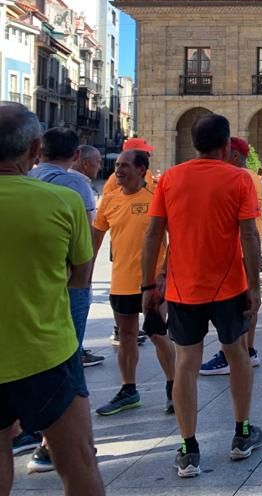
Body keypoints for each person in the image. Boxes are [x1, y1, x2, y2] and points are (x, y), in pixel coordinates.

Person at [142, 113, 262, 478]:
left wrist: (149, 285)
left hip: (182, 289)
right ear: (226, 145)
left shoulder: (171, 178)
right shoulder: (239, 178)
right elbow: (250, 236)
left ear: (194, 144)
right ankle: (242, 434)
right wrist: (255, 287)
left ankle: (188, 448)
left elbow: (153, 235)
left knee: (186, 364)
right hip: (229, 286)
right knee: (236, 353)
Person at [0, 105, 104, 494]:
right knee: (78, 463)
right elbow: (80, 277)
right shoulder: (63, 201)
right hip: (46, 353)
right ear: (33, 149)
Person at [92, 149, 176, 416]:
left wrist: (163, 275)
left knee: (157, 334)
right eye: (117, 165)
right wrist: (86, 274)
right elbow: (96, 238)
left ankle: (174, 388)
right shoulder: (109, 199)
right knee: (126, 336)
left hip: (151, 285)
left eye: (125, 165)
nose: (119, 169)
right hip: (120, 282)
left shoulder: (156, 198)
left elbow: (175, 240)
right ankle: (129, 390)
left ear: (142, 170)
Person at [28, 128, 104, 370]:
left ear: (39, 151)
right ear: (75, 155)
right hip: (67, 273)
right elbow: (87, 232)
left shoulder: (28, 176)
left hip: (34, 270)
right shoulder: (73, 182)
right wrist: (86, 277)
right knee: (70, 335)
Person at [200, 138, 262, 374]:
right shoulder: (252, 177)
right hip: (247, 250)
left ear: (234, 155)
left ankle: (231, 354)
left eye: (224, 151)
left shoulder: (239, 178)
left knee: (237, 306)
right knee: (247, 302)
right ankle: (248, 349)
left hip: (238, 250)